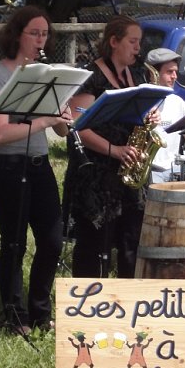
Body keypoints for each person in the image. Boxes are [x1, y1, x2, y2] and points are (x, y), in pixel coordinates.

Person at [0, 5, 72, 334]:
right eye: (34, 33)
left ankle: (39, 312)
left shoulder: (45, 74)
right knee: (14, 243)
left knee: (52, 240)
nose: (40, 40)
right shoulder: (0, 76)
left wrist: (61, 115)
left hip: (38, 165)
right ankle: (15, 315)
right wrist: (45, 121)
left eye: (45, 34)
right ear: (17, 35)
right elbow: (0, 134)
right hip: (6, 167)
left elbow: (62, 130)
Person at [63, 15, 158, 278]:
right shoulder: (90, 77)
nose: (138, 48)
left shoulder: (137, 74)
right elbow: (78, 126)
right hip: (97, 174)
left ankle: (128, 297)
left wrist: (149, 116)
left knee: (131, 242)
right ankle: (90, 298)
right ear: (114, 42)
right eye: (132, 41)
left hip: (128, 171)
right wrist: (114, 150)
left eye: (139, 42)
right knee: (93, 247)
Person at [145, 47, 185, 185]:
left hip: (174, 170)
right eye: (169, 72)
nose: (174, 76)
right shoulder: (141, 101)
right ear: (153, 74)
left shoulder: (177, 102)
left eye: (176, 72)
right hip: (149, 170)